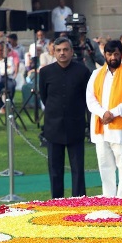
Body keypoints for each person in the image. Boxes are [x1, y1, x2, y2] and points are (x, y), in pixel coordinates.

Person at [85, 40, 122, 198]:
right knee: (105, 167)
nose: (113, 57)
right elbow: (90, 99)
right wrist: (103, 113)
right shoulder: (96, 74)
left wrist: (113, 113)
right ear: (104, 55)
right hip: (101, 128)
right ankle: (108, 198)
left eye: (116, 54)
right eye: (109, 54)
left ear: (121, 54)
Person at [39, 37, 91, 198]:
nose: (62, 53)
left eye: (65, 50)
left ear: (71, 51)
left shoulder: (82, 71)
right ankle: (56, 201)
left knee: (77, 169)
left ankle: (79, 201)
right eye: (59, 50)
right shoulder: (45, 72)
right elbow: (44, 97)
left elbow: (87, 98)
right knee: (55, 170)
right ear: (53, 52)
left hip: (75, 126)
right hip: (53, 127)